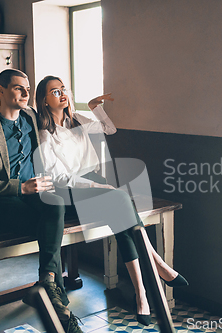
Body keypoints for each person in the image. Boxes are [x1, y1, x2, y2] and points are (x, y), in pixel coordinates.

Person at [35, 75, 188, 326]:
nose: (62, 94)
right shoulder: (46, 133)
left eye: (63, 89)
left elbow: (109, 129)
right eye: (54, 92)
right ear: (43, 100)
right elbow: (59, 176)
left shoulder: (78, 120)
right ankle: (158, 266)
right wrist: (95, 184)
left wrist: (96, 109)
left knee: (122, 221)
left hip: (95, 186)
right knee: (121, 200)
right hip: (72, 190)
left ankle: (141, 295)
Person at [0, 69, 82, 333]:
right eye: (18, 88)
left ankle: (47, 284)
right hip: (0, 201)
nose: (26, 93)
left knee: (56, 204)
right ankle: (56, 299)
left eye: (27, 88)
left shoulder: (30, 117)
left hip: (36, 193)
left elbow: (64, 118)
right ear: (1, 90)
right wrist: (21, 187)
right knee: (48, 225)